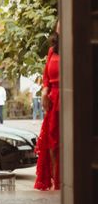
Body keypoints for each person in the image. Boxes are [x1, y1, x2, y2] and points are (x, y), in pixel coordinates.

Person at [35, 22, 60, 191]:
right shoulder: (52, 50)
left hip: (70, 97)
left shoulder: (77, 46)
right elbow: (46, 77)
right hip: (53, 99)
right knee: (52, 144)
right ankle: (57, 183)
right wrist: (44, 91)